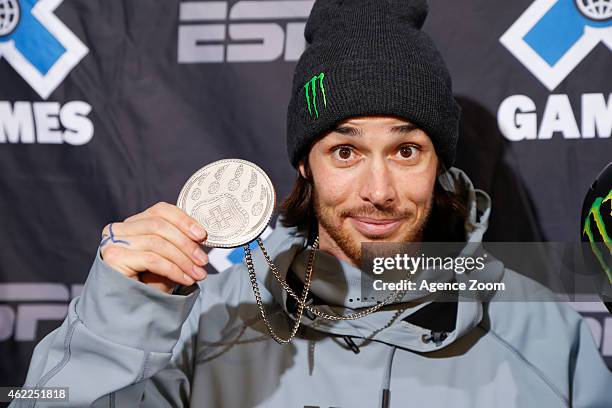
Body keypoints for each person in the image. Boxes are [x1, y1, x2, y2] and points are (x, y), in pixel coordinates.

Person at [14, 1, 612, 407]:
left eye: (406, 151)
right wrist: (114, 321)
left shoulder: (539, 326)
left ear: (441, 164)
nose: (378, 191)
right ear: (305, 162)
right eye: (345, 152)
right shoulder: (206, 320)